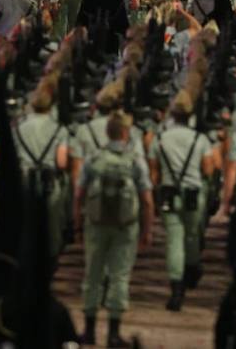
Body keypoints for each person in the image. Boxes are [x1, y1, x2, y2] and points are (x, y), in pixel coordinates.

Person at [75, 110, 153, 348]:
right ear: (126, 133)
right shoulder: (134, 161)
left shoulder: (95, 159)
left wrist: (77, 224)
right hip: (125, 227)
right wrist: (147, 229)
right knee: (119, 276)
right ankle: (113, 333)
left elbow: (79, 194)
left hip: (96, 225)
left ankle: (88, 331)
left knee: (93, 274)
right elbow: (147, 199)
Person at [148, 90, 214, 311]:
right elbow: (208, 169)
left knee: (174, 240)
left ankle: (176, 287)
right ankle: (192, 266)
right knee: (192, 235)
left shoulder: (160, 138)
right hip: (193, 192)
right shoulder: (200, 139)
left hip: (168, 191)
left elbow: (154, 172)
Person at [14, 83, 70, 261]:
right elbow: (61, 162)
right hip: (49, 181)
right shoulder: (58, 129)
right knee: (51, 225)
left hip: (24, 178)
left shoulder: (18, 128)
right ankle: (49, 260)